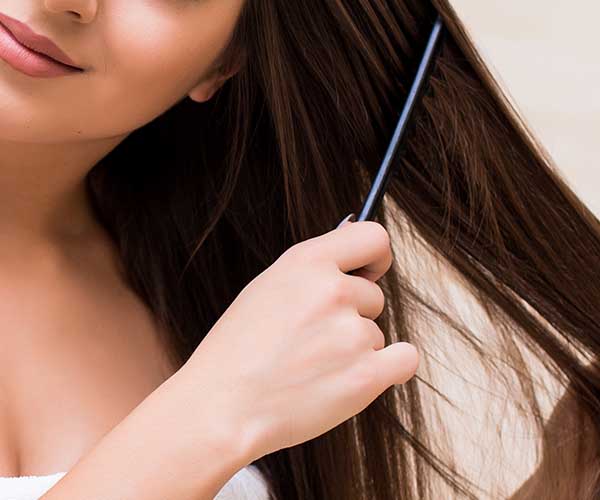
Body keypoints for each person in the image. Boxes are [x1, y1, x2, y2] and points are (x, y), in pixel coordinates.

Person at [0, 0, 597, 499]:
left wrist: (562, 478)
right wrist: (215, 411)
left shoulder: (216, 302)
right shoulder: (230, 377)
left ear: (225, 61)